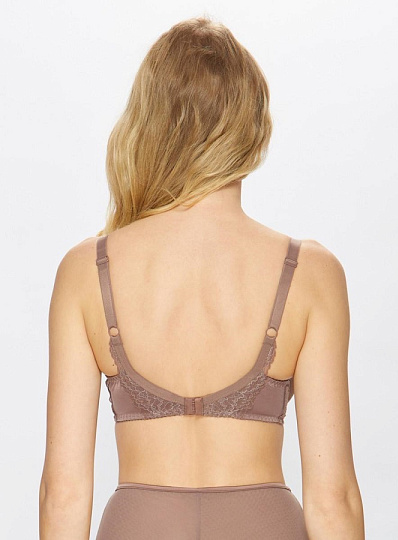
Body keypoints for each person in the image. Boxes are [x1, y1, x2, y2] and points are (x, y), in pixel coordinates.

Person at [39, 16, 364, 540]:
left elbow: (64, 493)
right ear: (252, 127)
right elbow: (334, 500)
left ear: (148, 124)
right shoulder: (310, 273)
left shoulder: (86, 270)